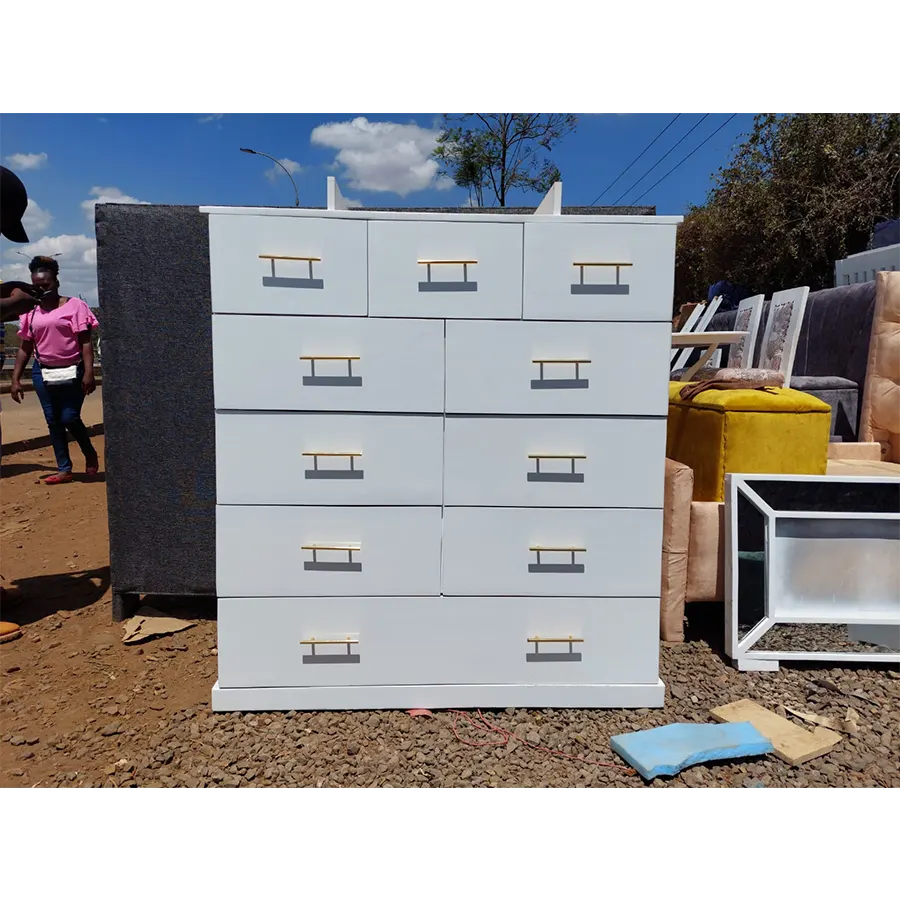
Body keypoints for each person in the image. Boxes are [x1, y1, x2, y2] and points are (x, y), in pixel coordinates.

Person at [10, 256, 100, 484]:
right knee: (53, 420)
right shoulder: (30, 313)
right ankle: (64, 469)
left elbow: (86, 342)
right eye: (37, 286)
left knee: (69, 416)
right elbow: (25, 347)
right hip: (43, 371)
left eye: (46, 285)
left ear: (56, 281)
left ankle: (89, 452)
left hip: (73, 370)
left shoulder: (76, 306)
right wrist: (16, 378)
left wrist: (89, 373)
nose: (42, 290)